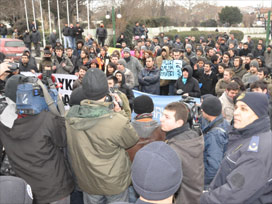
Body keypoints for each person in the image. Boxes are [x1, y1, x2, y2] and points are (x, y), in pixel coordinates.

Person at [66, 69, 138, 203]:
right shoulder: (116, 120)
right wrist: (120, 113)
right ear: (106, 91)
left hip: (88, 182)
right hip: (114, 183)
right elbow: (132, 139)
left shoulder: (68, 118)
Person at [0, 75, 75, 203]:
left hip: (27, 190)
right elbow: (62, 140)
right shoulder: (46, 118)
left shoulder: (3, 121)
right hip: (54, 189)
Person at [201, 92, 272, 204]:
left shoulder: (256, 152)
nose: (236, 113)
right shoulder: (246, 136)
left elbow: (232, 194)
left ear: (259, 114)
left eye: (244, 109)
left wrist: (200, 199)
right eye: (236, 107)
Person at [160, 102, 204, 204]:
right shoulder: (193, 136)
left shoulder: (173, 148)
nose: (161, 119)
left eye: (167, 117)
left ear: (179, 123)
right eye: (163, 115)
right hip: (194, 197)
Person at [201, 96, 230, 187]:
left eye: (203, 109)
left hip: (211, 182)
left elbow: (214, 166)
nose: (201, 111)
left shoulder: (214, 135)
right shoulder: (225, 123)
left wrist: (203, 183)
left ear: (208, 112)